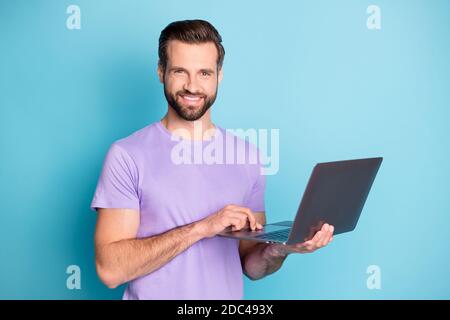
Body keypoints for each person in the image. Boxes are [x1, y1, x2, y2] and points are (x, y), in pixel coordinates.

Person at [90, 19, 334, 300]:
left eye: (204, 73)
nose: (192, 86)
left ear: (219, 75)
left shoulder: (247, 157)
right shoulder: (127, 156)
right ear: (161, 72)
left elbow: (250, 265)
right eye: (180, 71)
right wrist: (202, 228)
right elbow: (110, 270)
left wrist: (281, 248)